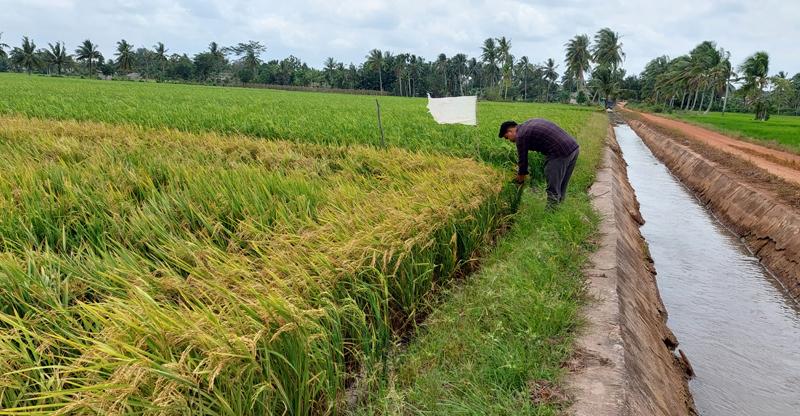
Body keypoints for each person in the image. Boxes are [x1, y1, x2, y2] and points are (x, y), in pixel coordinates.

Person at [498, 119, 580, 205]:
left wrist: (520, 180)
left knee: (553, 188)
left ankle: (550, 214)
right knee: (562, 185)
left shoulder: (520, 136)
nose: (509, 140)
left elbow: (523, 161)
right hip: (573, 148)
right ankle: (559, 211)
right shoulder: (527, 124)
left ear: (510, 131)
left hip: (559, 152)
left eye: (506, 137)